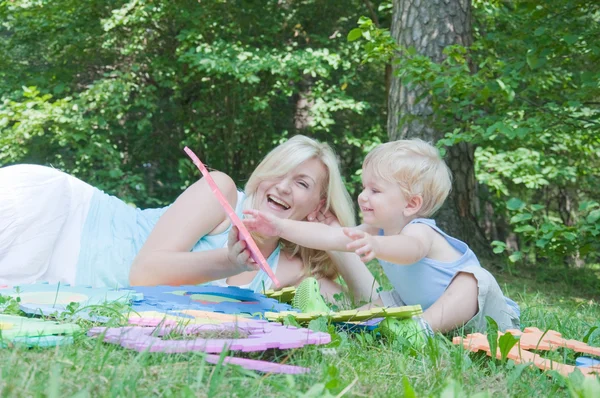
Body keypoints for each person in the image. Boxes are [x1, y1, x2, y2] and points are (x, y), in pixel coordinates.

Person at [0, 135, 379, 304]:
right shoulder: (222, 190)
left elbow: (369, 310)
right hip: (57, 216)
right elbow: (144, 274)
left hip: (59, 279)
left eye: (301, 183)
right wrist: (228, 261)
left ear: (315, 205)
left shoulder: (288, 270)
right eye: (277, 172)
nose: (281, 186)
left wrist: (334, 235)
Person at [243, 138, 520, 336]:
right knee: (380, 304)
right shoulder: (376, 231)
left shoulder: (420, 230)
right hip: (420, 304)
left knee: (473, 279)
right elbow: (329, 237)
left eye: (375, 190)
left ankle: (419, 331)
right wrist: (279, 227)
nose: (363, 196)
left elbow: (410, 249)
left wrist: (376, 244)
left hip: (485, 313)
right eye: (364, 187)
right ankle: (344, 323)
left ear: (410, 204)